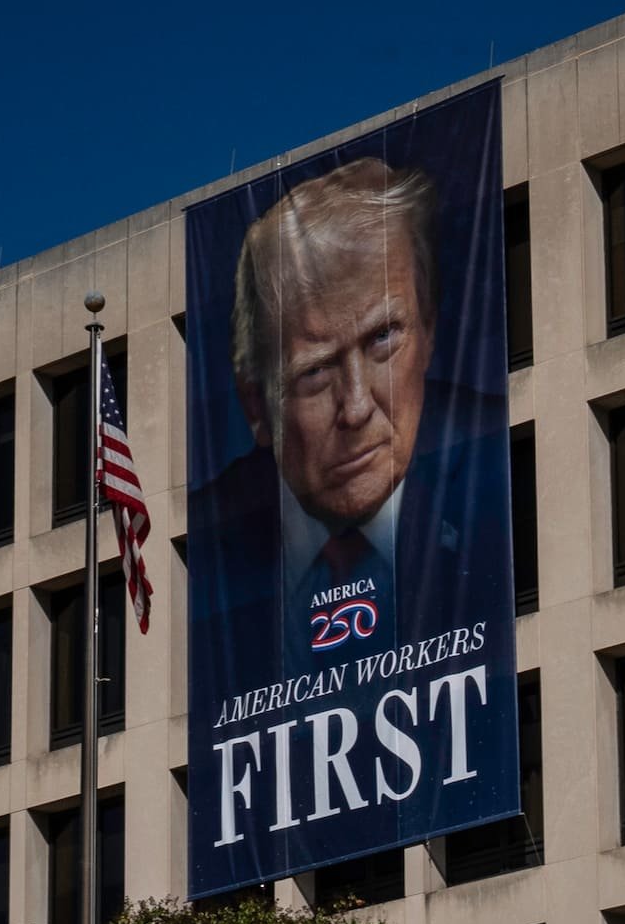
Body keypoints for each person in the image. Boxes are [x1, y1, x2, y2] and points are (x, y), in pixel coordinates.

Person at [191, 156, 510, 675]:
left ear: (428, 330)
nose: (357, 407)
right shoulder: (208, 545)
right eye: (315, 371)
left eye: (383, 337)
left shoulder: (500, 463)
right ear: (257, 404)